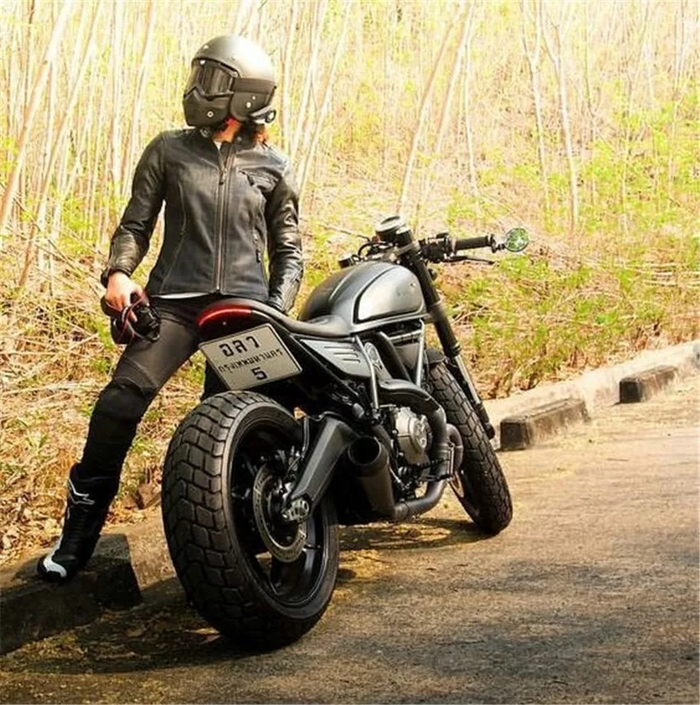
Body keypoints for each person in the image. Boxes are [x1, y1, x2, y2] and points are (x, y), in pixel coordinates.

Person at [37, 35, 303, 583]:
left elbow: (290, 252)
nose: (198, 87)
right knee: (118, 403)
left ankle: (247, 544)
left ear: (245, 95)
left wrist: (276, 311)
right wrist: (119, 273)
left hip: (247, 312)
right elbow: (135, 225)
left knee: (235, 431)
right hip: (174, 306)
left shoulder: (273, 166)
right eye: (199, 75)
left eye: (212, 79)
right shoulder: (168, 150)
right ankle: (79, 534)